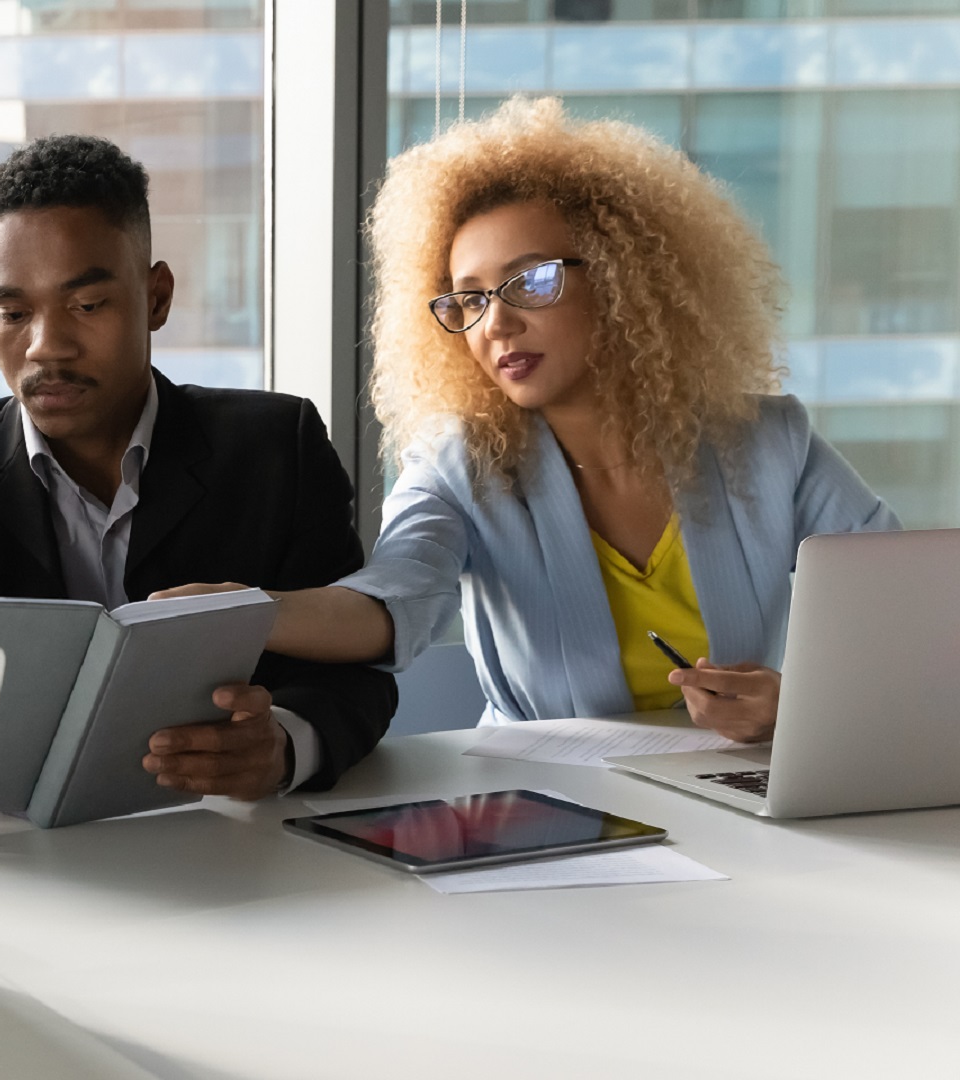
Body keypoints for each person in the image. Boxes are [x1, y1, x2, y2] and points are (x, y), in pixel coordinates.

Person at [177, 97, 897, 740]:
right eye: (470, 299)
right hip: (545, 806)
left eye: (531, 281)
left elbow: (906, 606)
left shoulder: (769, 442)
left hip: (736, 799)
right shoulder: (462, 467)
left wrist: (795, 702)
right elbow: (390, 601)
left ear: (622, 275)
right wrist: (253, 609)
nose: (496, 324)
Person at [0, 135, 398, 800]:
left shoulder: (278, 448)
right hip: (20, 869)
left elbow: (355, 673)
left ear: (156, 296)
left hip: (233, 852)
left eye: (88, 304)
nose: (45, 346)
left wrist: (282, 743)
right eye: (12, 311)